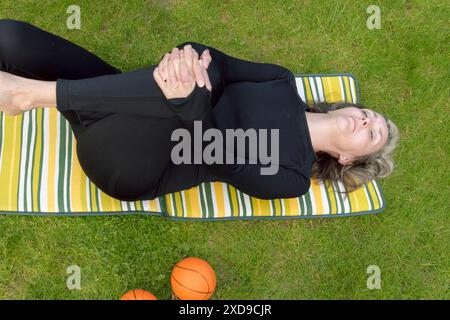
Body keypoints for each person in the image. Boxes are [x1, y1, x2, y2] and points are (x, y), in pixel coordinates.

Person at [0, 19, 399, 201]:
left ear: (347, 158)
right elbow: (216, 60)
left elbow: (214, 152)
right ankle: (35, 92)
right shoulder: (282, 81)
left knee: (185, 97)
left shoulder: (292, 176)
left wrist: (190, 100)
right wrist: (189, 62)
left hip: (129, 162)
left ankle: (33, 95)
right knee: (11, 38)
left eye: (372, 133)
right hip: (115, 106)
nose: (365, 120)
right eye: (370, 114)